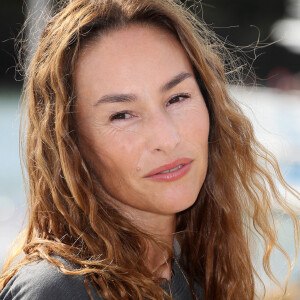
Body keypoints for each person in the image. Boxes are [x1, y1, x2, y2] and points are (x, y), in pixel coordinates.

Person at [0, 0, 299, 299]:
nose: (167, 139)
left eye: (177, 98)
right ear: (71, 143)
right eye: (122, 115)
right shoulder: (58, 290)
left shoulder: (197, 272)